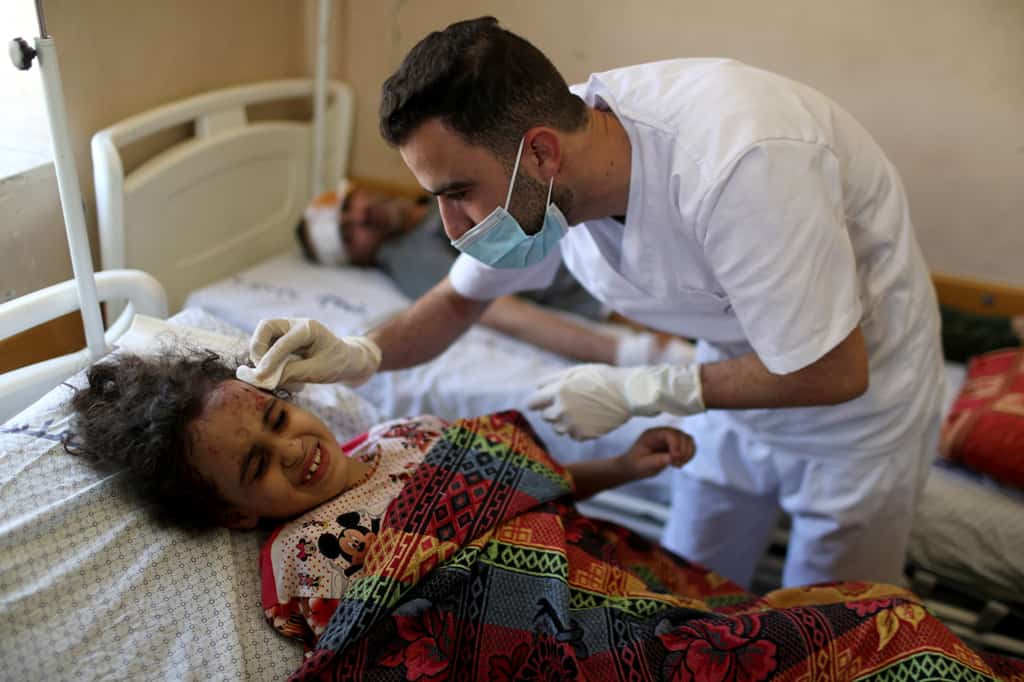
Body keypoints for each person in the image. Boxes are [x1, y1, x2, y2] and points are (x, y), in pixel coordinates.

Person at [244, 17, 945, 589]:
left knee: (833, 625)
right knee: (692, 586)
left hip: (857, 417)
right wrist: (358, 353)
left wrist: (643, 389)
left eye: (458, 193)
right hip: (737, 386)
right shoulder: (547, 157)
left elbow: (833, 370)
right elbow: (456, 306)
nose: (453, 228)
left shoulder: (742, 166)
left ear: (543, 156)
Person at [62, 350, 693, 529]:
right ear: (233, 512)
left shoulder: (403, 435)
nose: (292, 451)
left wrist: (626, 465)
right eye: (256, 466)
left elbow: (531, 485)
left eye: (277, 421)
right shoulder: (307, 564)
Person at [295, 178, 695, 368]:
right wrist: (630, 353)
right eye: (349, 233)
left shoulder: (429, 197)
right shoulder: (410, 258)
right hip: (620, 283)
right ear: (359, 260)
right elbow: (494, 309)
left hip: (635, 234)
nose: (360, 215)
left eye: (348, 205)